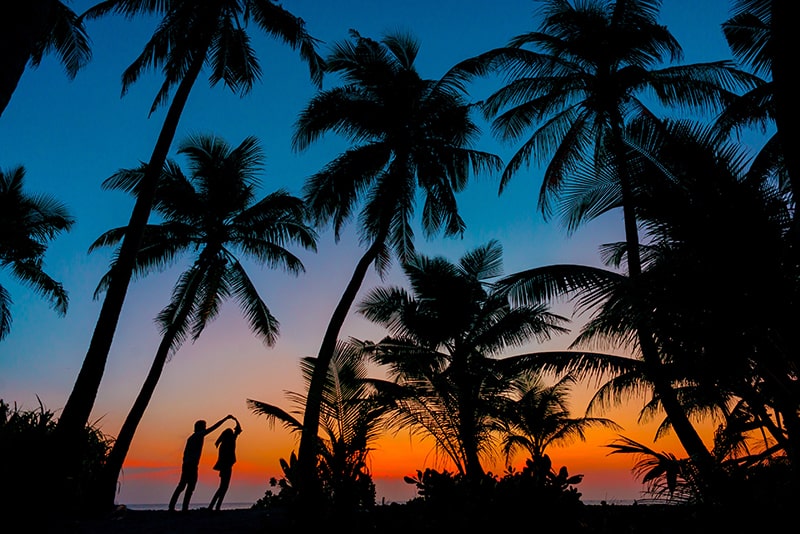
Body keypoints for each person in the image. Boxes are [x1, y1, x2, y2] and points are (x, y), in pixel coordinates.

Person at [168, 414, 234, 512]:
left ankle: (175, 507)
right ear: (200, 428)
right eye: (204, 426)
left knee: (183, 485)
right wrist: (225, 419)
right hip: (191, 465)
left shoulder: (191, 438)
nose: (205, 428)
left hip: (187, 464)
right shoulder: (198, 435)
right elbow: (214, 427)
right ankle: (181, 508)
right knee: (189, 486)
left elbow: (185, 453)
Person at [207, 416, 243, 511]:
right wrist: (235, 420)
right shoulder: (230, 441)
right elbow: (239, 429)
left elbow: (238, 430)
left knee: (222, 487)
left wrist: (234, 420)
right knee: (223, 487)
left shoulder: (223, 445)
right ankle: (214, 506)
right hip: (227, 467)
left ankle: (214, 506)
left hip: (224, 466)